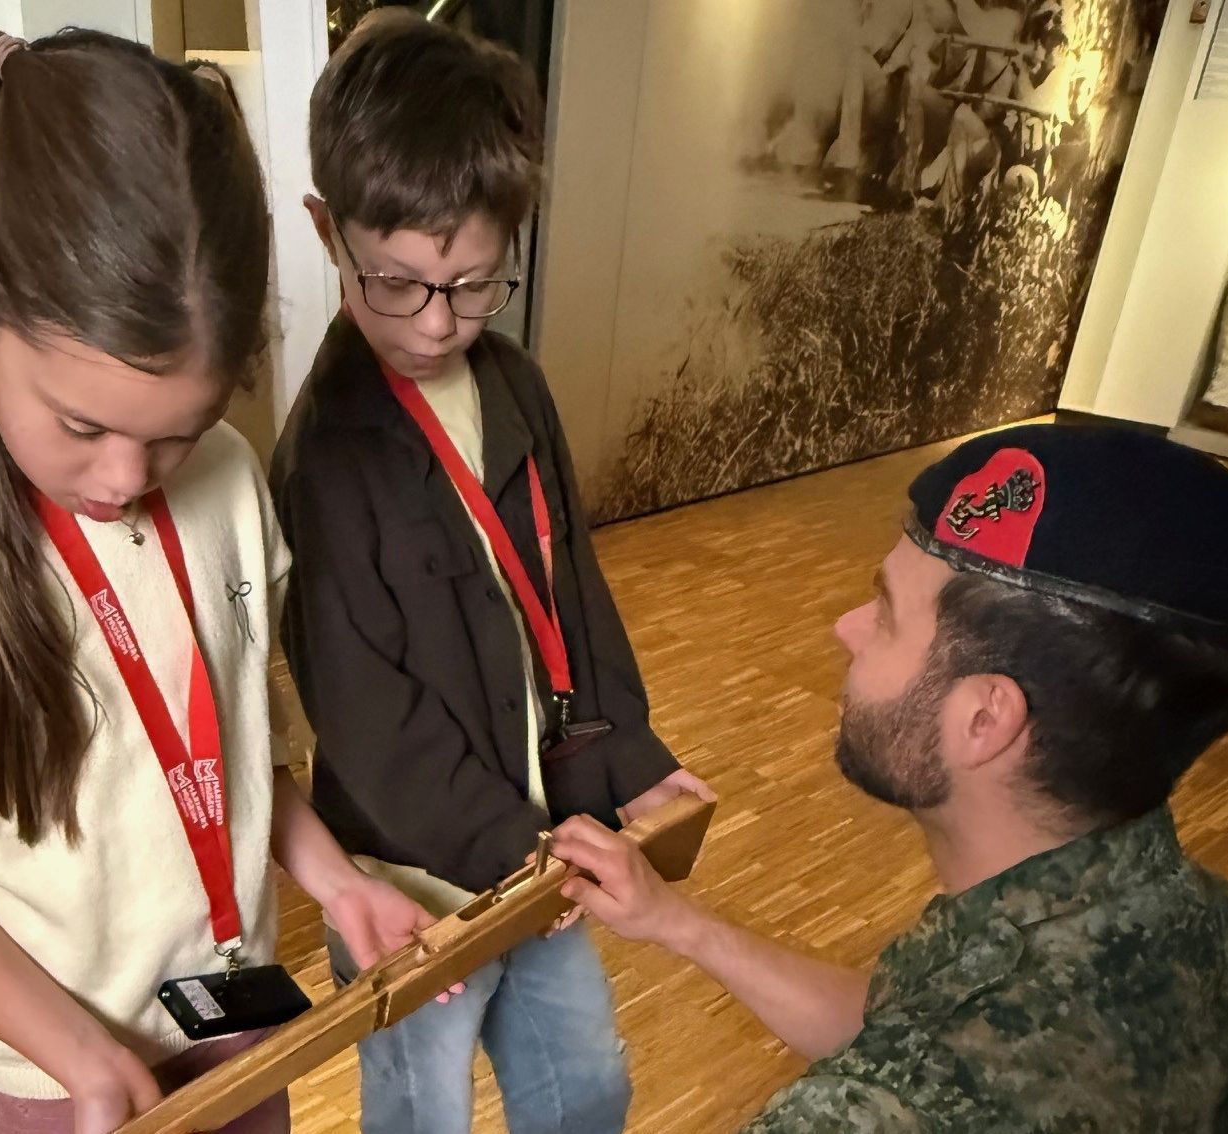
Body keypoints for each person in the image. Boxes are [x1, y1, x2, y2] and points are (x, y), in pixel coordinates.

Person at [0, 26, 435, 1134]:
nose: (128, 480)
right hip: (54, 1081)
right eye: (82, 426)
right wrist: (78, 1056)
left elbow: (234, 746)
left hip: (236, 1016)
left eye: (179, 431)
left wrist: (336, 880)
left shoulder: (229, 484)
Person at [552, 423, 1228, 1131]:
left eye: (887, 614)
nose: (847, 627)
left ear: (983, 720)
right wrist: (675, 922)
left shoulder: (866, 1116)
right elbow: (898, 1029)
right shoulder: (1215, 929)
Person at [269, 12, 712, 1134]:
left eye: (473, 284)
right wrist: (517, 855)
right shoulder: (324, 454)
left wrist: (635, 763)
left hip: (545, 836)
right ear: (327, 230)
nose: (436, 323)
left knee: (588, 1089)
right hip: (416, 881)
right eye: (398, 282)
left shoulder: (517, 386)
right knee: (424, 1109)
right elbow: (365, 717)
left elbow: (577, 598)